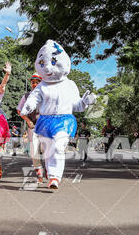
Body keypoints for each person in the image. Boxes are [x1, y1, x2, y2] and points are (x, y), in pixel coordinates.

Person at [21, 40, 96, 189]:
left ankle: (55, 176)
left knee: (58, 146)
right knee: (48, 150)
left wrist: (86, 101)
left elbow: (77, 105)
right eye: (42, 63)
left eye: (53, 61)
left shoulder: (70, 85)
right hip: (45, 121)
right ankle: (51, 174)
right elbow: (34, 99)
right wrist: (28, 106)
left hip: (63, 120)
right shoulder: (42, 86)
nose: (48, 67)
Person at [17, 74, 44, 180]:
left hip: (45, 126)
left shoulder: (47, 94)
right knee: (33, 149)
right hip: (32, 125)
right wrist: (28, 120)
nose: (35, 84)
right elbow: (19, 110)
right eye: (33, 82)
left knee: (46, 148)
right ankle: (39, 170)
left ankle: (50, 169)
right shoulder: (27, 96)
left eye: (37, 82)